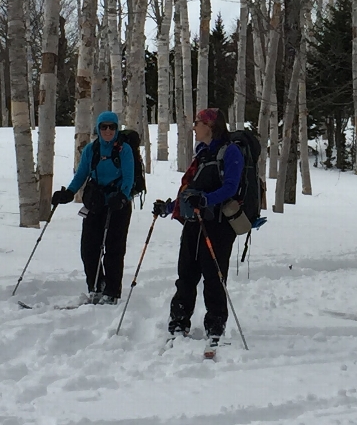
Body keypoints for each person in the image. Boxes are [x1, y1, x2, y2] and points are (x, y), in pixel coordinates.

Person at [153, 107, 243, 345]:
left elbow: (230, 187)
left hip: (219, 225)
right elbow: (191, 192)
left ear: (210, 125)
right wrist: (169, 207)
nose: (194, 127)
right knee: (186, 275)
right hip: (194, 222)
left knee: (213, 277)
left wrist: (205, 200)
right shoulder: (201, 154)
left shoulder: (230, 152)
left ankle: (215, 326)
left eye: (197, 122)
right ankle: (178, 323)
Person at [51, 110, 134, 305]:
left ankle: (112, 292)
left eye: (111, 127)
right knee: (89, 248)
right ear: (98, 128)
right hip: (96, 203)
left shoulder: (124, 150)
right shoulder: (91, 150)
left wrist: (122, 196)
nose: (107, 130)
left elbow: (129, 177)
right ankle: (96, 287)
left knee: (114, 249)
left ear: (116, 128)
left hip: (118, 204)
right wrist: (69, 193)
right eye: (103, 127)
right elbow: (81, 175)